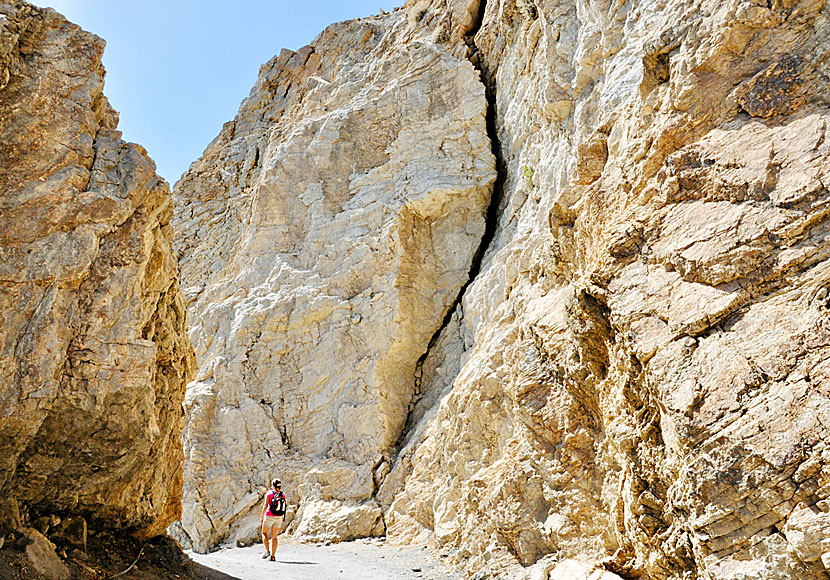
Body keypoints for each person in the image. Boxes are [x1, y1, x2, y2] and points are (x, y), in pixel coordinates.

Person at [260, 478, 286, 561]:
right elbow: (284, 507)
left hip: (269, 516)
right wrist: (282, 517)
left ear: (272, 485)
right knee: (274, 537)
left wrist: (262, 516)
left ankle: (267, 551)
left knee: (264, 533)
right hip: (279, 517)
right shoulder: (283, 494)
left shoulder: (269, 493)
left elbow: (265, 505)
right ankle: (273, 556)